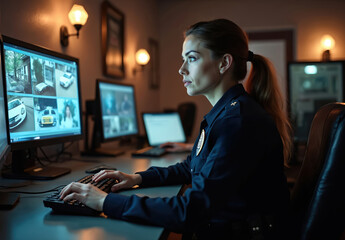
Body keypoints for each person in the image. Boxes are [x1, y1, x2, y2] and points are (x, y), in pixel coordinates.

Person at [60, 19, 293, 239]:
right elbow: (192, 167)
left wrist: (104, 202)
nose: (181, 69)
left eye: (191, 58)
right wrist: (137, 178)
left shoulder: (238, 121)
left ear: (224, 63)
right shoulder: (227, 113)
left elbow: (190, 211)